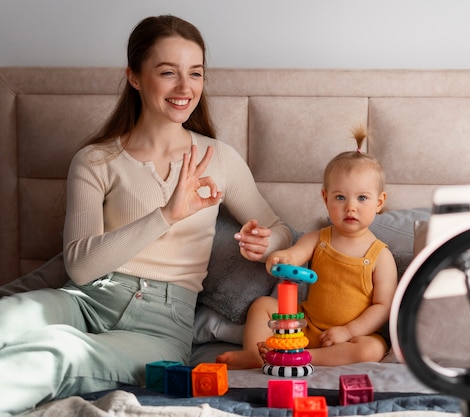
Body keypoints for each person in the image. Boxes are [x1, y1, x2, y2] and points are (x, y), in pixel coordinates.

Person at [0, 15, 291, 416]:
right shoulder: (96, 159)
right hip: (85, 300)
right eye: (168, 72)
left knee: (55, 352)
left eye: (195, 73)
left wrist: (268, 242)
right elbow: (81, 267)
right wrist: (167, 214)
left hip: (158, 328)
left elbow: (279, 230)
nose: (185, 88)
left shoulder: (218, 158)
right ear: (134, 77)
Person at [217, 127, 398, 369]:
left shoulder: (380, 256)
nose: (350, 207)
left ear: (380, 202)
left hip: (347, 337)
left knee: (373, 348)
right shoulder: (319, 239)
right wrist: (280, 257)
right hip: (305, 326)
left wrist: (347, 331)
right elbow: (294, 255)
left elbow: (383, 307)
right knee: (263, 305)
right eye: (340, 198)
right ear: (325, 199)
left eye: (362, 198)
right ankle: (254, 353)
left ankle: (307, 358)